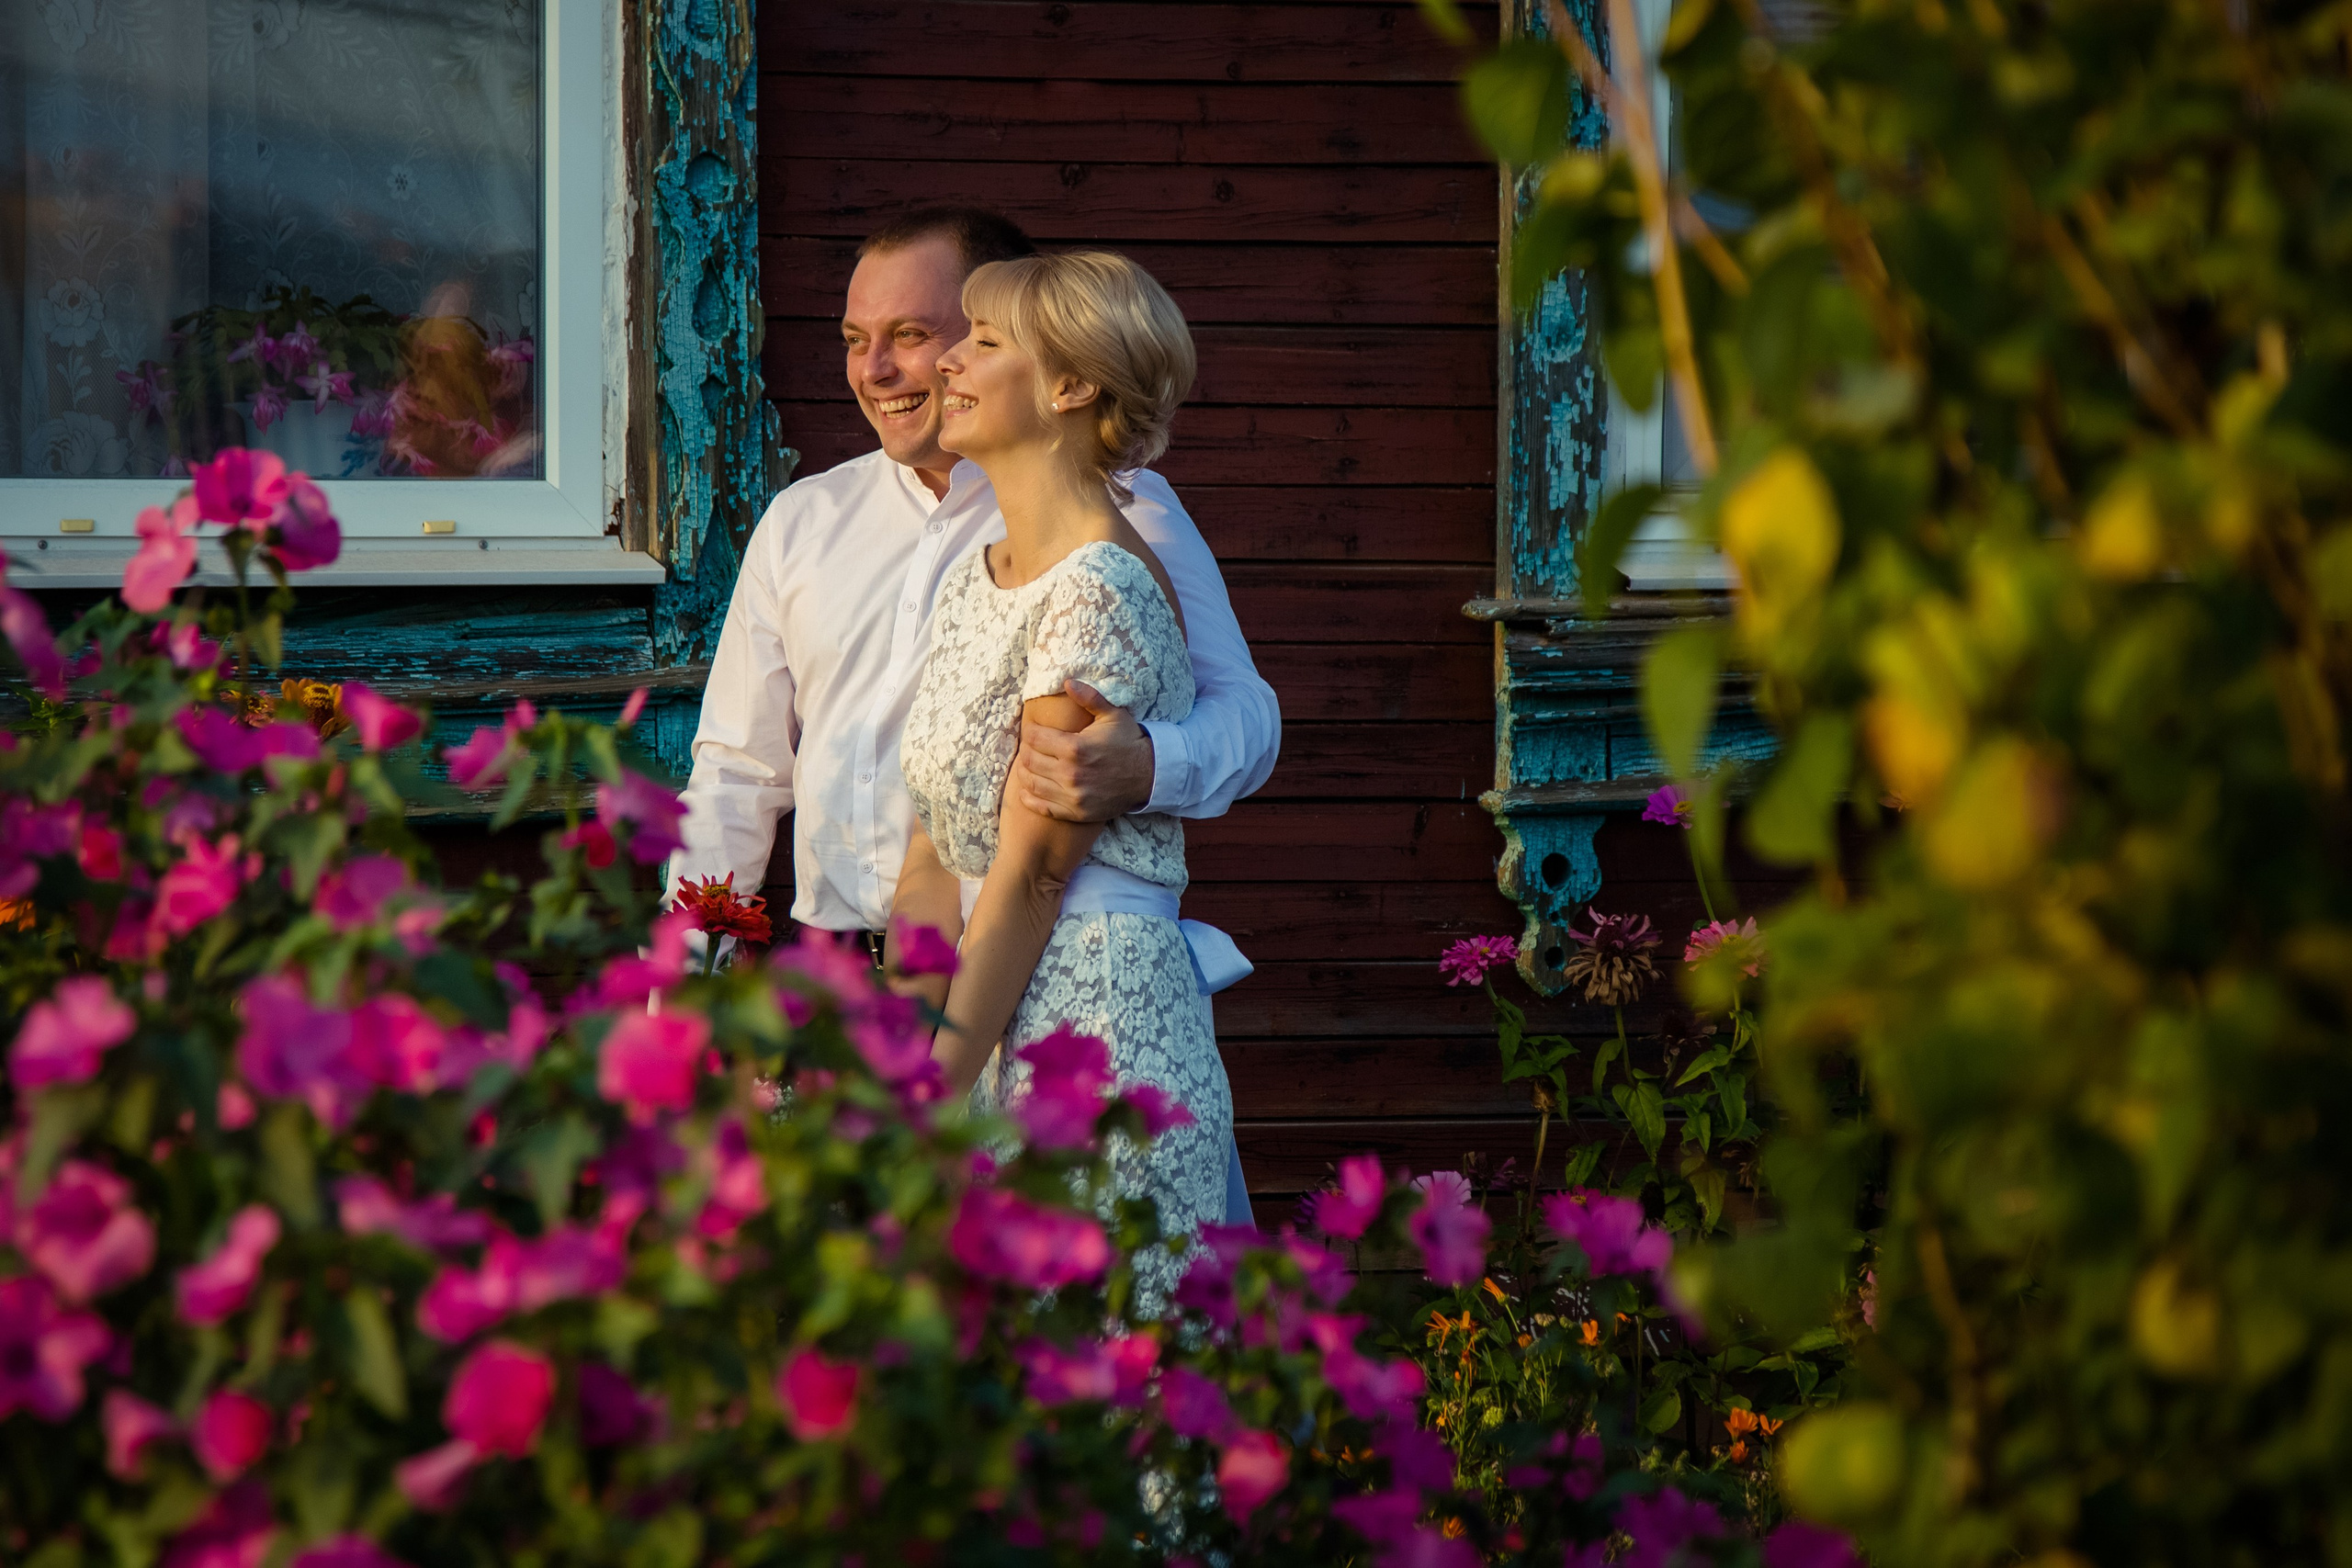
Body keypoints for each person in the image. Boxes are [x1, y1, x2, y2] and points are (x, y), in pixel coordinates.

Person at [669, 209, 1278, 1223]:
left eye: (915, 335)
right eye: (856, 341)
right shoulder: (804, 520)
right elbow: (737, 771)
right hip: (858, 977)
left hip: (1049, 981)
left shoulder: (1125, 516)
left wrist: (1146, 767)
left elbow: (1246, 718)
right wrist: (689, 990)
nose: (882, 370)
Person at [891, 250, 1232, 1299]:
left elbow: (1034, 878)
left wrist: (923, 1113)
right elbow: (929, 862)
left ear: (1071, 387)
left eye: (982, 342)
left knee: (1111, 1412)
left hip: (1100, 1036)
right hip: (987, 1023)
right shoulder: (970, 580)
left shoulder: (1100, 585)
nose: (945, 360)